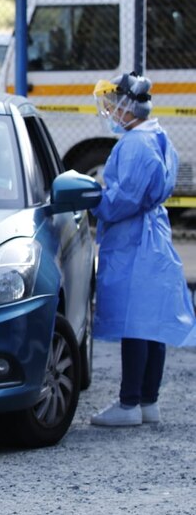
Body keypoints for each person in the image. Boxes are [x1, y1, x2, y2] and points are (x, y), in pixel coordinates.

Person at [89, 72, 195, 427]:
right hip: (154, 237)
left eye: (112, 105)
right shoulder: (158, 134)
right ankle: (148, 401)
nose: (109, 111)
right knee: (151, 321)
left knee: (134, 321)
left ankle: (129, 404)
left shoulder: (134, 144)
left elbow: (123, 200)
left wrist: (95, 201)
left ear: (126, 106)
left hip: (134, 239)